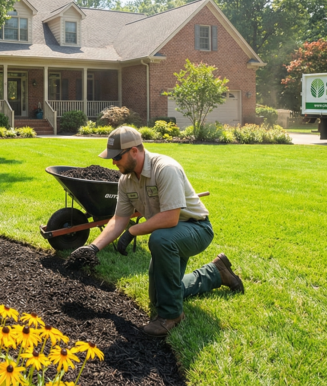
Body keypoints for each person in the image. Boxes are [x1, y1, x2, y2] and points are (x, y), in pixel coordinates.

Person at [66, 126, 244, 337]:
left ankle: (172, 315)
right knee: (159, 296)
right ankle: (215, 273)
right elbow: (120, 218)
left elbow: (170, 218)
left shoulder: (165, 168)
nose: (113, 162)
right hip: (171, 231)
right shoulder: (126, 180)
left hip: (196, 228)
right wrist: (92, 247)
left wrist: (133, 232)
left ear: (134, 151)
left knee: (159, 240)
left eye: (117, 157)